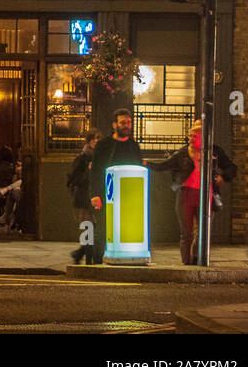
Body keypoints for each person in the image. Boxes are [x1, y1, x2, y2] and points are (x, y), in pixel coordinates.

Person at [147, 122, 237, 265]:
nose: (192, 137)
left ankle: (197, 258)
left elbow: (232, 168)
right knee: (186, 232)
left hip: (206, 195)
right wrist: (146, 163)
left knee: (202, 231)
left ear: (205, 136)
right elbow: (164, 165)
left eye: (195, 135)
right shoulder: (183, 153)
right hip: (186, 195)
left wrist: (223, 177)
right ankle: (186, 262)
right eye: (190, 135)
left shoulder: (214, 152)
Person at [87, 108, 144, 264]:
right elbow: (96, 171)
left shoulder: (134, 146)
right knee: (102, 230)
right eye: (123, 123)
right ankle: (97, 263)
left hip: (128, 198)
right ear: (114, 125)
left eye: (129, 122)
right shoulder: (104, 145)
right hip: (107, 195)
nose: (127, 125)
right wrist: (95, 194)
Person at [67, 129, 100, 264]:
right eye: (94, 138)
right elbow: (73, 179)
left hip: (95, 200)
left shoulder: (100, 158)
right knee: (88, 229)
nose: (96, 141)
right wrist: (88, 171)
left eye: (98, 138)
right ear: (89, 141)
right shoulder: (82, 159)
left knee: (95, 229)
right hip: (82, 200)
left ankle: (80, 253)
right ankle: (82, 255)